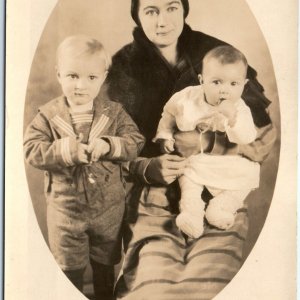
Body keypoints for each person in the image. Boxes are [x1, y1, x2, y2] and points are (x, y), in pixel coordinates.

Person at [104, 0, 277, 299]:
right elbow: (107, 149)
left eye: (172, 7)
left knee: (208, 282)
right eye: (151, 10)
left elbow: (262, 140)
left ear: (184, 9)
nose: (163, 22)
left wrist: (206, 143)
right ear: (136, 14)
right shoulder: (121, 67)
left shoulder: (220, 58)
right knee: (153, 284)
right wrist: (146, 167)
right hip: (154, 195)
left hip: (222, 188)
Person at [23, 35, 145, 300]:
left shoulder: (114, 113)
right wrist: (66, 150)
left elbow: (136, 142)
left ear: (103, 77)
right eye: (72, 76)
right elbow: (31, 150)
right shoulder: (48, 115)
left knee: (106, 270)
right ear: (58, 74)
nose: (80, 86)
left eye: (91, 78)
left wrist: (108, 145)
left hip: (109, 209)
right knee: (70, 273)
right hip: (66, 212)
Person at [152, 45, 260, 239]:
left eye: (234, 84)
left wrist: (233, 120)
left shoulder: (240, 108)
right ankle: (191, 214)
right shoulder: (186, 98)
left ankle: (222, 206)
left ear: (244, 84)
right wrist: (165, 134)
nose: (225, 91)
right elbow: (168, 114)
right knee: (188, 180)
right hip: (195, 160)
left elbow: (247, 137)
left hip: (227, 162)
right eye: (217, 82)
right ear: (202, 81)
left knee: (246, 178)